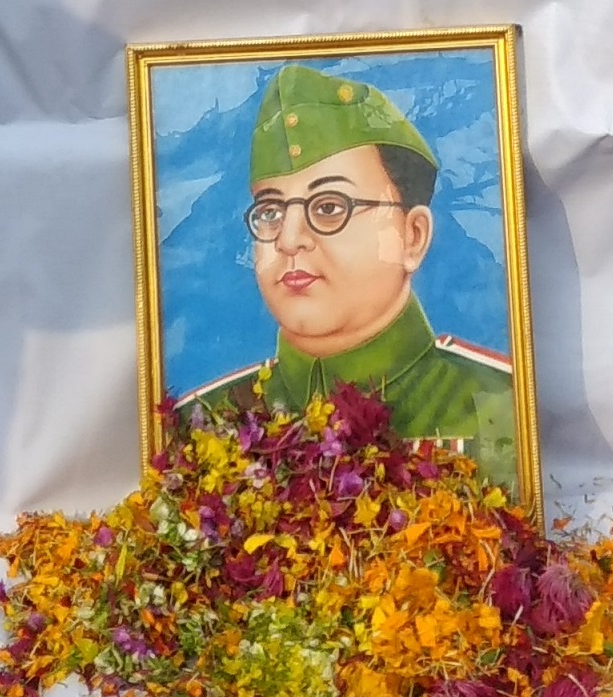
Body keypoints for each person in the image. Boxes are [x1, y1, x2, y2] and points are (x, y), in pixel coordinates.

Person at [178, 64, 516, 486]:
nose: (289, 240)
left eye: (329, 207)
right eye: (270, 211)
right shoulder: (205, 421)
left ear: (412, 237)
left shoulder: (501, 404)